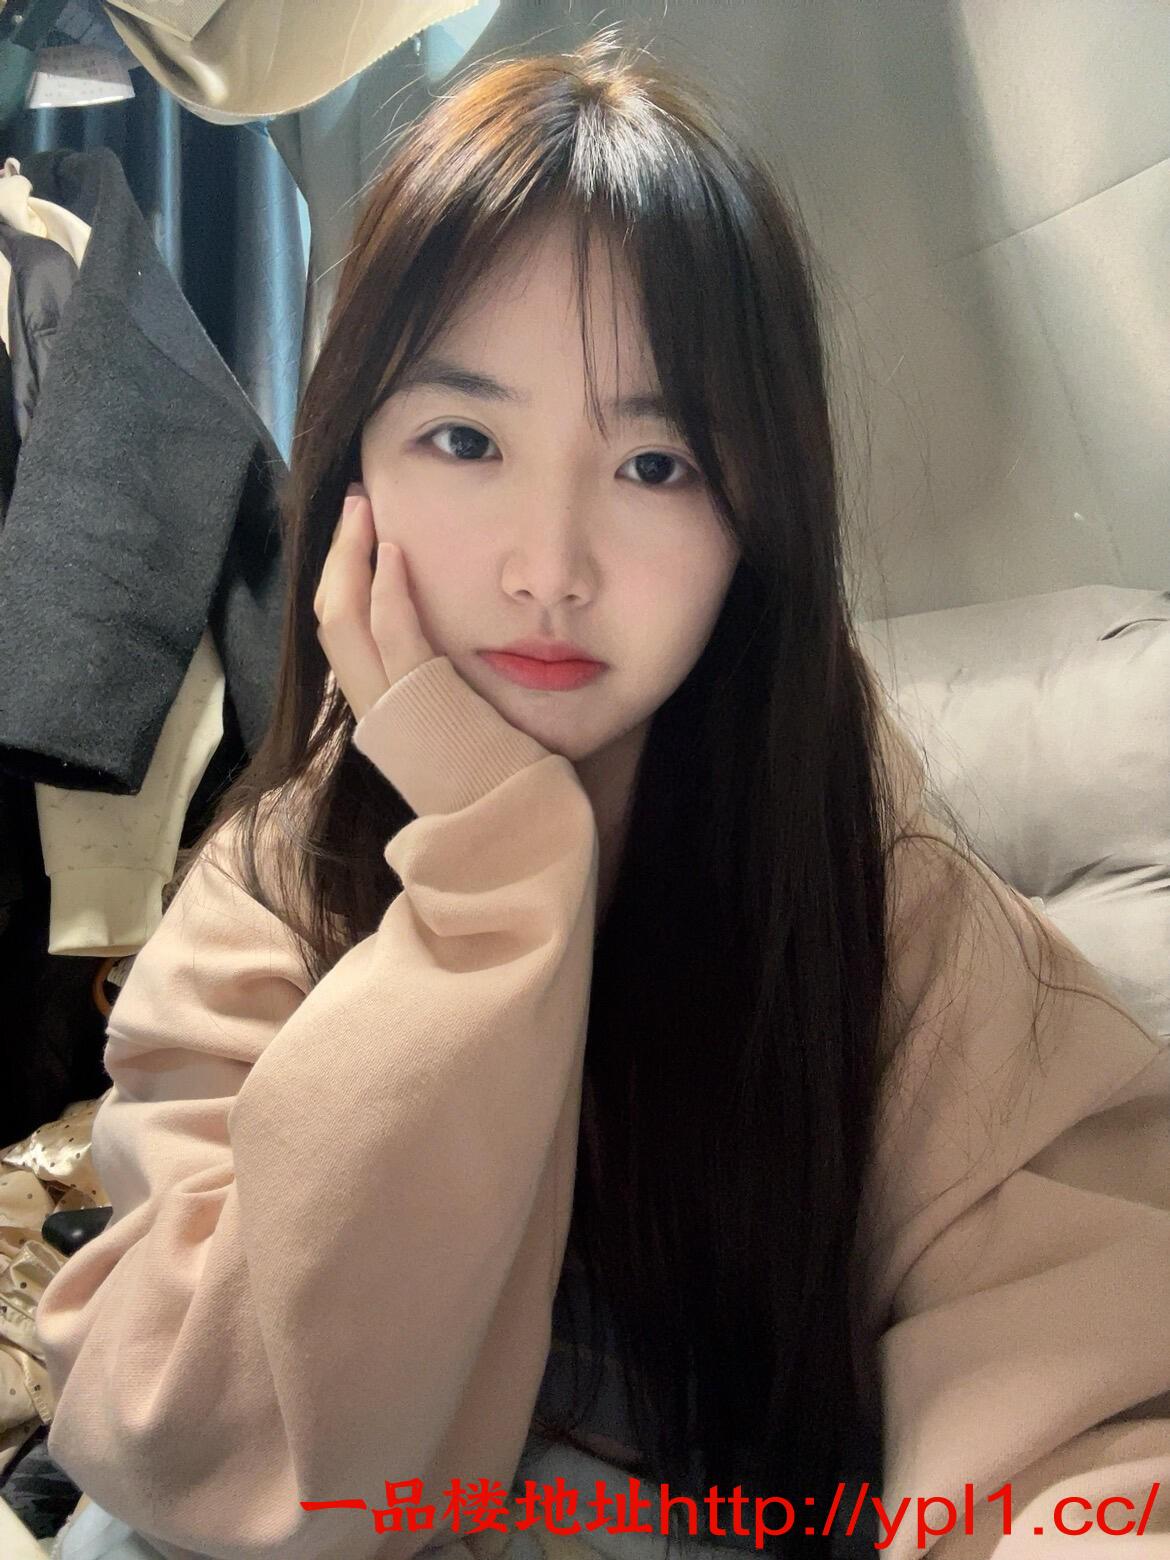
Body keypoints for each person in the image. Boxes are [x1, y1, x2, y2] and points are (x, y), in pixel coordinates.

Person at [34, 28, 1170, 1560]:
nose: (549, 567)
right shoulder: (275, 890)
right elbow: (213, 1455)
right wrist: (488, 885)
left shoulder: (877, 911)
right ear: (352, 484)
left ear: (757, 520)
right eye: (464, 439)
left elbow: (1086, 1420)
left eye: (655, 464)